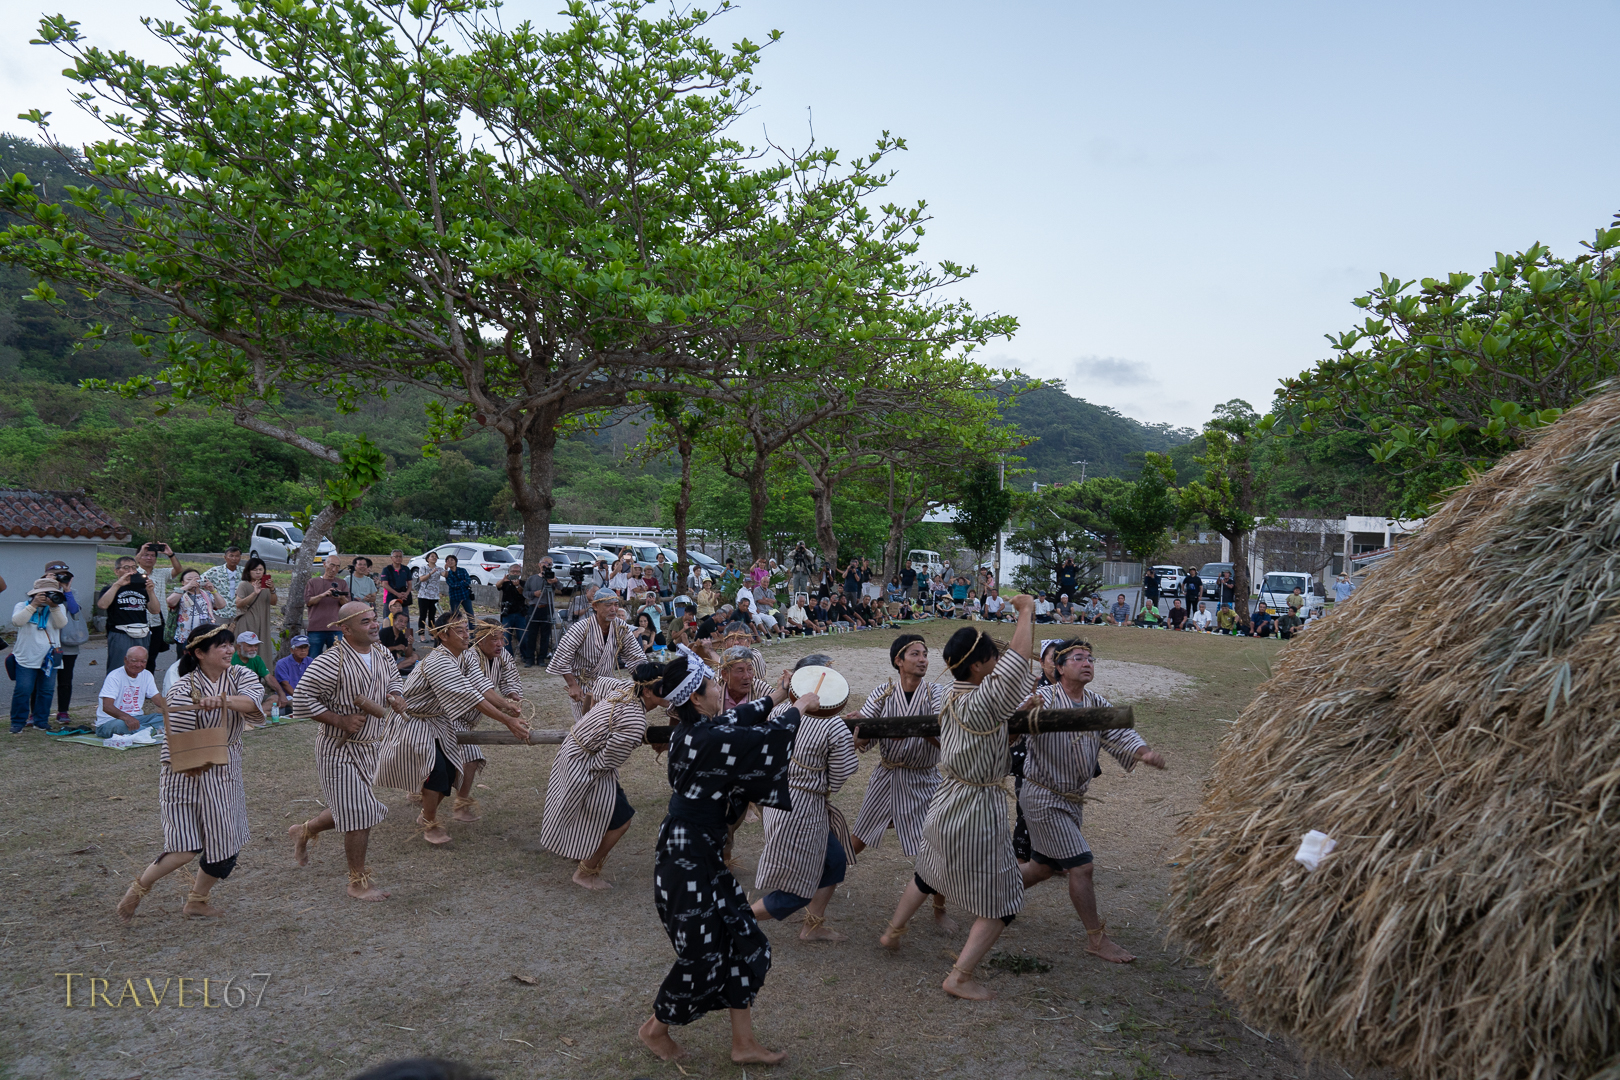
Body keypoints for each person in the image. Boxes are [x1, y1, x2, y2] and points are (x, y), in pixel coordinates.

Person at [637, 650, 817, 1066]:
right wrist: (800, 707)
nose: (720, 689)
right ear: (696, 698)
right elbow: (762, 739)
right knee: (701, 956)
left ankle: (744, 1044)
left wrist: (778, 695)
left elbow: (738, 719)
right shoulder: (705, 738)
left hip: (702, 852)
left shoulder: (697, 727)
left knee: (741, 940)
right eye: (713, 685)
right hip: (685, 858)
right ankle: (654, 1028)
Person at [878, 593, 1037, 1000]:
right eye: (992, 657)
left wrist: (1018, 721)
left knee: (928, 871)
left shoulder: (952, 694)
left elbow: (987, 736)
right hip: (974, 809)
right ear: (978, 665)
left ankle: (892, 932)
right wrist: (1026, 611)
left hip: (945, 802)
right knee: (1004, 902)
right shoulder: (983, 698)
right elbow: (1018, 663)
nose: (999, 661)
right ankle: (960, 977)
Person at [1019, 640, 1166, 963]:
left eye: (1090, 658)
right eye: (1078, 658)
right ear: (1059, 668)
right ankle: (1096, 939)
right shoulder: (1043, 698)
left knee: (1042, 868)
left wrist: (1144, 753)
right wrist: (1024, 712)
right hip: (1043, 796)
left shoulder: (1095, 702)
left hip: (1072, 799)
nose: (1087, 663)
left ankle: (990, 893)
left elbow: (1120, 733)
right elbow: (1013, 725)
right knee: (1082, 866)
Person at [116, 623, 265, 922]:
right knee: (185, 847)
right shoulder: (183, 689)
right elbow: (179, 741)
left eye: (230, 644)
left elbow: (252, 701)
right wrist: (191, 763)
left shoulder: (241, 674)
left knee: (225, 843)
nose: (229, 650)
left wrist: (221, 700)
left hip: (225, 768)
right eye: (222, 646)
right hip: (186, 772)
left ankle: (197, 901)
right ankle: (136, 891)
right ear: (199, 653)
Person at [287, 602, 408, 901]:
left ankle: (304, 830)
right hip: (337, 749)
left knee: (350, 807)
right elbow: (301, 699)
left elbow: (394, 679)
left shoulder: (381, 653)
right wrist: (339, 720)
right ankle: (357, 882)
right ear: (345, 629)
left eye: (374, 619)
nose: (374, 625)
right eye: (365, 621)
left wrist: (396, 695)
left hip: (370, 746)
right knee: (360, 812)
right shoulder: (331, 661)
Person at [375, 612, 527, 844]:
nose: (466, 635)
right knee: (435, 770)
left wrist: (507, 706)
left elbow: (481, 686)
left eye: (467, 630)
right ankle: (430, 823)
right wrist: (507, 721)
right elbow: (471, 697)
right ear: (443, 636)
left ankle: (427, 814)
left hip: (438, 721)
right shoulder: (439, 662)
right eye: (460, 631)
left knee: (450, 771)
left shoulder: (464, 656)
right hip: (414, 722)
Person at [849, 634, 954, 930]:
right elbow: (864, 738)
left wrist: (915, 730)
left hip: (924, 779)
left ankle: (939, 909)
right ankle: (819, 880)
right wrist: (865, 729)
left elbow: (948, 741)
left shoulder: (937, 693)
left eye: (925, 654)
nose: (923, 660)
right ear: (898, 661)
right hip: (887, 776)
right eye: (915, 654)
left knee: (935, 847)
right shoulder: (883, 692)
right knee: (858, 838)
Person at [751, 654, 859, 942]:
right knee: (796, 889)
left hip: (775, 800)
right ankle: (734, 919)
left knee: (833, 860)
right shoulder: (833, 725)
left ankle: (812, 926)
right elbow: (837, 779)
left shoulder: (780, 711)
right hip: (802, 809)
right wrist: (853, 744)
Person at [539, 661, 666, 890]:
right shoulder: (635, 721)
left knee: (591, 807)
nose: (672, 691)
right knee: (620, 819)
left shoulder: (625, 687)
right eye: (666, 687)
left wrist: (588, 719)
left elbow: (598, 685)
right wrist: (589, 770)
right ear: (647, 691)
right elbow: (608, 760)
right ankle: (585, 873)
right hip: (586, 765)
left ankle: (578, 851)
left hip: (574, 750)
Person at [548, 588, 649, 720]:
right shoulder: (580, 628)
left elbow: (635, 657)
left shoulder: (621, 627)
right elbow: (561, 658)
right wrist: (572, 685)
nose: (613, 609)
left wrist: (644, 680)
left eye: (616, 605)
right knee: (586, 724)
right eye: (608, 605)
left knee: (610, 721)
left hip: (608, 683)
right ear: (595, 606)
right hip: (584, 685)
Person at [11, 579, 69, 733]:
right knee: (23, 690)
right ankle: (17, 722)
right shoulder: (22, 605)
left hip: (50, 657)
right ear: (34, 594)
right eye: (44, 594)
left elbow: (61, 624)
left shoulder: (59, 607)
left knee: (46, 691)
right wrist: (33, 605)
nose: (48, 597)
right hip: (26, 656)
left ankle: (41, 721)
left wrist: (54, 607)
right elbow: (17, 622)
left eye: (52, 593)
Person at [98, 556, 162, 673]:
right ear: (117, 571)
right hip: (120, 632)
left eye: (134, 568)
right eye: (126, 567)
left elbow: (155, 610)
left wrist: (150, 591)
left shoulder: (142, 589)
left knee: (140, 666)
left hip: (142, 632)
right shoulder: (110, 589)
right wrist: (118, 585)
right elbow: (102, 605)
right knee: (118, 668)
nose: (131, 571)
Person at [45, 562, 90, 728]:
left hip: (67, 643)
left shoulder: (72, 592)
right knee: (42, 680)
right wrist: (48, 586)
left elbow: (74, 611)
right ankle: (37, 712)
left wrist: (67, 590)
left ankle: (63, 711)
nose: (59, 579)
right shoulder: (39, 591)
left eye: (63, 575)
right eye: (55, 575)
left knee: (65, 679)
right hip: (45, 641)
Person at [95, 644, 167, 737]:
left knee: (167, 716)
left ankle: (144, 731)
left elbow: (157, 699)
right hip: (111, 721)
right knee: (121, 725)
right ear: (125, 660)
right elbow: (107, 706)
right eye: (134, 661)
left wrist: (175, 709)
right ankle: (153, 732)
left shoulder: (147, 675)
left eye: (143, 662)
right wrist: (127, 718)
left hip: (137, 719)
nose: (138, 665)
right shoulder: (114, 676)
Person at [134, 541, 183, 672]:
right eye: (145, 555)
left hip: (157, 622)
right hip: (138, 621)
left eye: (152, 555)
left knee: (151, 658)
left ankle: (148, 682)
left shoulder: (161, 573)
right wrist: (140, 551)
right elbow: (129, 567)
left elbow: (178, 570)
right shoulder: (133, 573)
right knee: (135, 656)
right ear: (139, 557)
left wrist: (170, 554)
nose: (149, 558)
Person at [169, 567, 228, 647]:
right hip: (184, 636)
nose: (194, 581)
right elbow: (170, 601)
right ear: (182, 582)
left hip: (206, 635)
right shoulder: (180, 594)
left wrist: (213, 590)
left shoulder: (207, 594)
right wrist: (187, 586)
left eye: (197, 579)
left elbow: (222, 605)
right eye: (189, 579)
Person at [305, 555, 350, 658]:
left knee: (337, 659)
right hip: (316, 628)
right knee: (313, 659)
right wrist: (323, 595)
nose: (334, 569)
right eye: (332, 565)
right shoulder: (313, 582)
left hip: (336, 628)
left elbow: (347, 606)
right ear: (324, 564)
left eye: (337, 567)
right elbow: (308, 602)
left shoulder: (342, 583)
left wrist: (340, 597)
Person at [232, 557, 279, 651]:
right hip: (247, 621)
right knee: (246, 648)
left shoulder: (266, 586)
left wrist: (272, 590)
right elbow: (238, 603)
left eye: (260, 570)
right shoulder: (244, 585)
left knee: (262, 649)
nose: (258, 572)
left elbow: (273, 602)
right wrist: (254, 593)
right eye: (254, 570)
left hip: (263, 621)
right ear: (248, 571)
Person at [520, 556, 557, 666]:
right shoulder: (532, 578)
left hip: (547, 608)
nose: (547, 565)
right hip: (534, 607)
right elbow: (525, 593)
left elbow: (561, 587)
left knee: (545, 635)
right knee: (531, 634)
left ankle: (542, 658)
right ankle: (529, 658)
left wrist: (555, 581)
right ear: (539, 564)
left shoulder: (553, 577)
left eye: (550, 563)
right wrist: (534, 594)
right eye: (545, 562)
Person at [379, 604, 418, 676]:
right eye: (400, 621)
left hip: (395, 661)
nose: (403, 624)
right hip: (382, 660)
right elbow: (379, 651)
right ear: (394, 620)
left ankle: (394, 670)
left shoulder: (402, 635)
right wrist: (395, 648)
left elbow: (408, 654)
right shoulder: (384, 632)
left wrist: (410, 644)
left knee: (415, 656)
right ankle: (393, 671)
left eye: (405, 622)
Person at [201, 546, 244, 612]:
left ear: (240, 558)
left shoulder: (244, 572)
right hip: (220, 611)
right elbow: (200, 581)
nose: (234, 558)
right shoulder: (215, 571)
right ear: (225, 557)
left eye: (237, 556)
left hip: (239, 610)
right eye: (231, 556)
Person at [496, 565, 528, 652]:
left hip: (520, 613)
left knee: (522, 637)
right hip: (507, 613)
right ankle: (508, 656)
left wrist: (517, 586)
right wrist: (503, 579)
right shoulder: (505, 582)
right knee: (506, 637)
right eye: (513, 571)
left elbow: (523, 593)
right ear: (509, 572)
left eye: (517, 572)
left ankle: (525, 656)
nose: (515, 573)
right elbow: (497, 586)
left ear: (520, 573)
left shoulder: (523, 583)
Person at [273, 635, 314, 700]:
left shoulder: (311, 661)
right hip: (288, 696)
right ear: (292, 650)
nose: (303, 650)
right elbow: (285, 684)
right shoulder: (282, 663)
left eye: (305, 647)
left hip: (308, 696)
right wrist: (299, 698)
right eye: (299, 647)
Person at [380, 551, 416, 620]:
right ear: (391, 558)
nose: (398, 558)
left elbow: (409, 583)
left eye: (400, 556)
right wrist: (397, 594)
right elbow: (384, 584)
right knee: (388, 620)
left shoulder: (406, 569)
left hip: (403, 598)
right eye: (396, 556)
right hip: (390, 597)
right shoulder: (386, 570)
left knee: (404, 619)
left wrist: (406, 594)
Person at [415, 551, 445, 629]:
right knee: (423, 615)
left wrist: (446, 568)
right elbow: (422, 579)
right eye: (432, 556)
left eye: (435, 556)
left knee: (432, 615)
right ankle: (421, 633)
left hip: (434, 595)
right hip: (423, 595)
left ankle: (432, 632)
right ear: (428, 559)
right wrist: (431, 573)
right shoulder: (423, 568)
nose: (434, 558)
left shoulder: (439, 568)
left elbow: (445, 575)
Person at [443, 555, 474, 620]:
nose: (450, 562)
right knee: (455, 615)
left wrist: (458, 584)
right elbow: (452, 585)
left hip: (465, 595)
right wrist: (462, 582)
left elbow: (468, 581)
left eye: (452, 560)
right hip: (454, 597)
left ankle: (472, 626)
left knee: (470, 614)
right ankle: (457, 626)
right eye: (448, 560)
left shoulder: (462, 570)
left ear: (456, 562)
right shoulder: (448, 574)